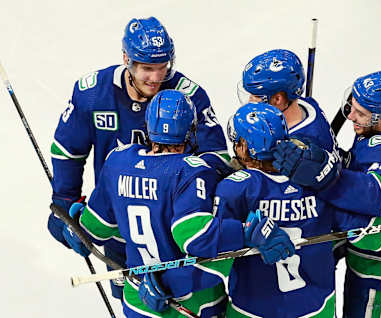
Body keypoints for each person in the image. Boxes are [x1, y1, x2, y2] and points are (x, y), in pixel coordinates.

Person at [61, 90, 295, 317]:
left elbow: (95, 228)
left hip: (140, 301)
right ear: (191, 131)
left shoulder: (117, 160)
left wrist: (77, 227)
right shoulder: (191, 171)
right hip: (196, 302)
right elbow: (195, 237)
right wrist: (245, 233)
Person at [48, 16, 228, 299]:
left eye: (162, 67)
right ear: (126, 59)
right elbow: (68, 151)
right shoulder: (92, 93)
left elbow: (219, 161)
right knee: (130, 303)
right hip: (114, 222)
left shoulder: (189, 96)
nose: (156, 78)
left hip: (176, 232)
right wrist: (65, 201)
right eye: (147, 68)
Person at [215, 102, 381, 317]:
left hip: (251, 307)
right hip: (317, 307)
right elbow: (369, 234)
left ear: (246, 147)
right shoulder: (318, 189)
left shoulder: (233, 188)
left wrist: (240, 233)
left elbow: (210, 246)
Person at [273, 71, 381, 317]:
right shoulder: (380, 131)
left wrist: (324, 176)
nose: (350, 115)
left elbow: (376, 197)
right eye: (352, 105)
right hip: (369, 250)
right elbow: (358, 168)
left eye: (360, 113)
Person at [237, 48, 341, 190]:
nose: (250, 101)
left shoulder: (291, 149)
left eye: (255, 96)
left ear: (278, 99)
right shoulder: (307, 104)